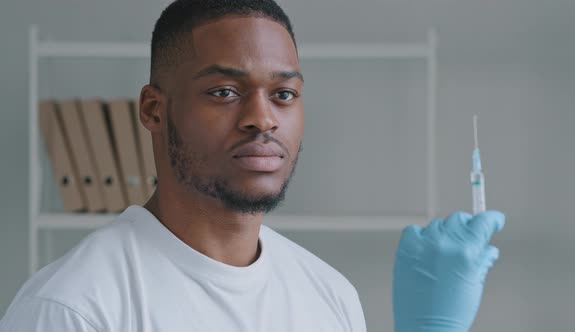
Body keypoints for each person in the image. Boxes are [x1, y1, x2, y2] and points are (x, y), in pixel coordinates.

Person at [0, 0, 505, 331]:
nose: (262, 118)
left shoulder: (329, 297)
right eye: (224, 92)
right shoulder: (75, 309)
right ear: (154, 110)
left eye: (284, 94)